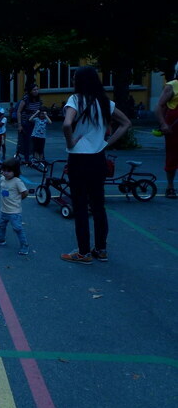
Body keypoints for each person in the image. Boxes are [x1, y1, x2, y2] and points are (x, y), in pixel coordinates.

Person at [61, 66, 131, 264]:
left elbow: (67, 124)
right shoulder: (104, 102)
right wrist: (106, 142)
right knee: (99, 205)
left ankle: (83, 252)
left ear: (79, 81)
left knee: (81, 206)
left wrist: (70, 142)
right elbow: (126, 123)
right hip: (98, 157)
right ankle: (101, 249)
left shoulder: (75, 100)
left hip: (78, 158)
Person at [0, 158, 30, 255]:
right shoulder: (2, 178)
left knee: (17, 228)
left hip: (14, 212)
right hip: (4, 210)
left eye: (9, 171)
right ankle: (1, 239)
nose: (6, 173)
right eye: (4, 170)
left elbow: (25, 192)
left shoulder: (17, 181)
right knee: (1, 225)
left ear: (15, 171)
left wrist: (19, 200)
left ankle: (24, 245)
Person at [156, 62, 178, 199]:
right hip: (174, 127)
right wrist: (163, 124)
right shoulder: (172, 85)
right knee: (173, 156)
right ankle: (170, 187)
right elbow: (158, 106)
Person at [16, 83, 42, 163]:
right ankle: (27, 159)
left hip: (36, 122)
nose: (36, 91)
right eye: (34, 90)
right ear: (30, 91)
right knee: (27, 141)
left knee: (37, 140)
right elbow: (19, 112)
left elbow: (39, 111)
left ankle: (37, 157)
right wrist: (20, 125)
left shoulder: (38, 99)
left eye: (37, 89)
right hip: (26, 123)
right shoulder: (25, 99)